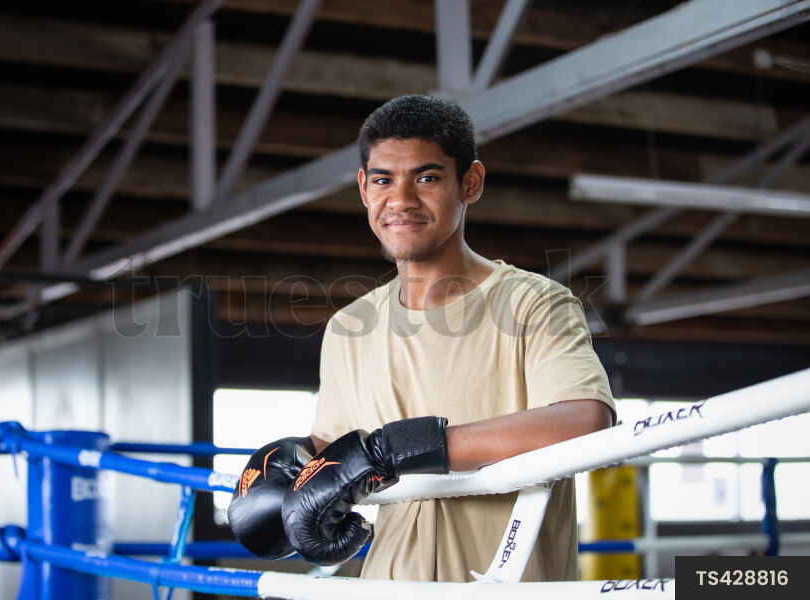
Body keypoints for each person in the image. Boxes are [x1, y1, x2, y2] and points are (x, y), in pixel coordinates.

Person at [229, 94, 615, 583]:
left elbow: (586, 420)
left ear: (470, 183)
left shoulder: (535, 303)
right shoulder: (349, 326)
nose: (401, 200)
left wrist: (399, 448)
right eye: (383, 180)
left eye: (427, 178)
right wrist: (290, 465)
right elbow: (339, 450)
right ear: (364, 189)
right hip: (387, 586)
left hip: (503, 588)